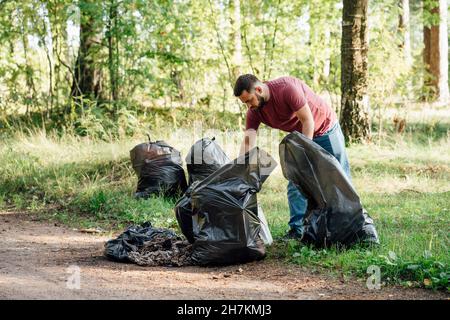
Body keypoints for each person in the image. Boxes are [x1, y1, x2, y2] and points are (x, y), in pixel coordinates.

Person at [234, 74, 352, 239]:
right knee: (296, 180)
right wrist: (238, 171)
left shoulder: (287, 89)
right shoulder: (255, 111)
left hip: (325, 129)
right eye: (244, 102)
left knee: (339, 177)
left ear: (259, 89)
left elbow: (307, 121)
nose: (248, 106)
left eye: (249, 100)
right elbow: (248, 142)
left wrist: (305, 153)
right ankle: (297, 230)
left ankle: (350, 223)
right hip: (303, 135)